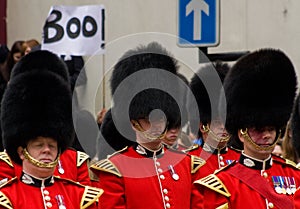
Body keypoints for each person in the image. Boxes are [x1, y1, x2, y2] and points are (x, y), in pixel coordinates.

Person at [90, 42, 204, 209]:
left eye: (160, 118)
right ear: (134, 121)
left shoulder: (187, 164)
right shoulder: (116, 169)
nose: (157, 125)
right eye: (149, 119)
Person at [192, 48, 300, 209]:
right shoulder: (223, 184)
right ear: (242, 133)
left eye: (271, 129)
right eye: (258, 130)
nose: (266, 136)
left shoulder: (293, 175)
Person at [0, 51, 102, 208]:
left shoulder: (79, 193)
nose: (47, 150)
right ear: (22, 152)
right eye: (39, 145)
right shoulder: (7, 197)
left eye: (51, 145)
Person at [186, 61, 240, 179]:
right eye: (217, 122)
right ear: (203, 126)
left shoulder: (241, 159)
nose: (223, 127)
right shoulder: (188, 161)